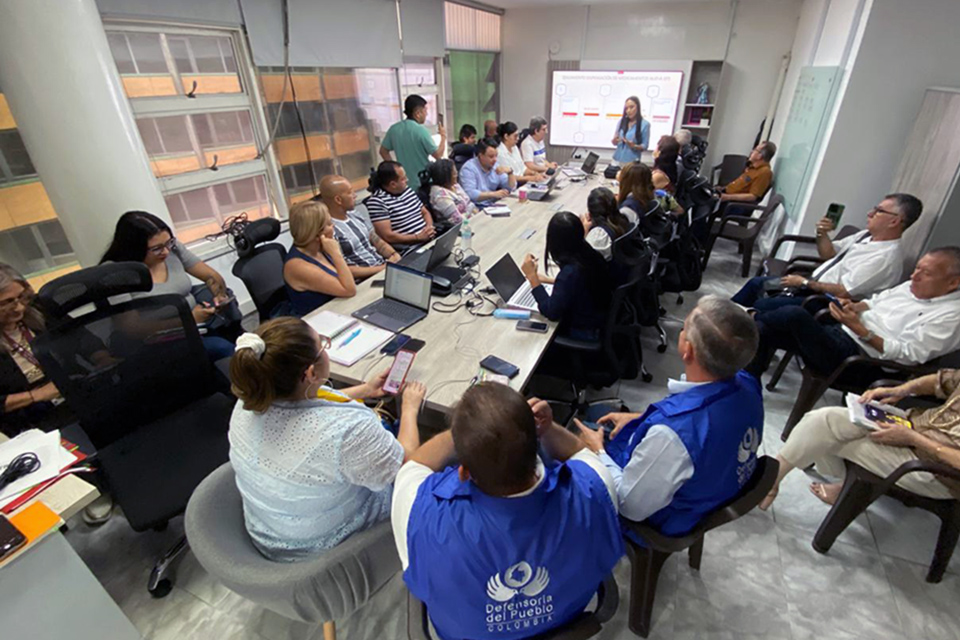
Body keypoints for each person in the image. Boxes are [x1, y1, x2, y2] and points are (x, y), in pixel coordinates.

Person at [391, 383, 623, 640]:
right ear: (536, 448)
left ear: (464, 471)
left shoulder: (421, 517)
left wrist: (467, 430)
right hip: (564, 622)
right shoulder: (594, 490)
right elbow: (583, 453)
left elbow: (412, 468)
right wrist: (545, 428)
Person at [229, 317, 426, 562]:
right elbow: (407, 466)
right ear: (310, 373)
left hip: (273, 530)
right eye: (322, 345)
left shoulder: (250, 399)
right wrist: (409, 408)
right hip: (321, 549)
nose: (325, 347)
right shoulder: (346, 432)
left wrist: (365, 390)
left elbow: (306, 402)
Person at [576, 296, 763, 534]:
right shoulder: (748, 385)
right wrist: (642, 418)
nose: (682, 333)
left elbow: (629, 506)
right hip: (709, 483)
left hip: (660, 518)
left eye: (684, 329)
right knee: (598, 424)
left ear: (688, 350)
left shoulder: (672, 435)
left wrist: (597, 452)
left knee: (560, 443)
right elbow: (703, 421)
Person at [746, 247, 960, 380]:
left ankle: (744, 315)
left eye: (927, 273)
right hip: (841, 333)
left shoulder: (951, 317)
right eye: (917, 268)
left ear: (953, 283)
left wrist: (860, 329)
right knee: (765, 329)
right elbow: (874, 302)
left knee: (795, 314)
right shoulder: (909, 288)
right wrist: (854, 307)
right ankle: (747, 382)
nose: (915, 276)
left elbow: (908, 356)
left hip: (861, 361)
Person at [760, 369, 960, 510]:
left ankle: (846, 489)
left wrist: (915, 439)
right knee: (823, 419)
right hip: (911, 426)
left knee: (830, 437)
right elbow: (942, 380)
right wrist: (901, 390)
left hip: (937, 471)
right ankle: (772, 479)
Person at [732, 194, 921, 311]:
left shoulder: (885, 258)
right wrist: (821, 233)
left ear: (895, 221)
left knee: (763, 306)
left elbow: (845, 291)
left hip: (826, 302)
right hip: (810, 286)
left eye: (878, 211)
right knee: (757, 283)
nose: (870, 213)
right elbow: (828, 254)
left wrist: (805, 282)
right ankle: (717, 318)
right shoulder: (865, 236)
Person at [101, 210, 239, 360]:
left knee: (239, 340)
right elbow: (131, 328)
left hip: (194, 325)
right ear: (133, 247)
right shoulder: (115, 273)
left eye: (169, 243)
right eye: (156, 248)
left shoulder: (172, 248)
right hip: (154, 340)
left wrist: (219, 296)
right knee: (223, 350)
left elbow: (211, 276)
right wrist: (188, 321)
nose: (166, 251)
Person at [0, 265, 71, 437]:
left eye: (21, 297)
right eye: (7, 302)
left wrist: (100, 357)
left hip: (68, 393)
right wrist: (36, 395)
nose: (19, 308)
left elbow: (80, 338)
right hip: (28, 419)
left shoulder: (38, 309)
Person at [521, 211, 612, 339]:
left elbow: (551, 312)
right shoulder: (587, 252)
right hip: (598, 317)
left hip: (584, 329)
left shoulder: (570, 273)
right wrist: (551, 281)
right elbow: (578, 285)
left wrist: (532, 278)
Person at [320, 175, 401, 280]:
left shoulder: (355, 214)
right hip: (366, 279)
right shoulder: (330, 229)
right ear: (338, 200)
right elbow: (344, 269)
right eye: (350, 192)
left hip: (383, 268)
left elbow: (376, 240)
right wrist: (382, 268)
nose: (355, 196)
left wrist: (393, 255)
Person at [283, 200, 356, 316]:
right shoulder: (297, 266)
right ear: (316, 233)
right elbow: (349, 290)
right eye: (329, 224)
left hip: (338, 309)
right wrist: (336, 254)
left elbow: (344, 276)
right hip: (318, 323)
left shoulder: (319, 249)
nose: (333, 226)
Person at [380, 94, 446, 191]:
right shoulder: (420, 131)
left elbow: (383, 151)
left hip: (404, 184)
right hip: (422, 182)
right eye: (425, 111)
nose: (426, 114)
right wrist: (443, 136)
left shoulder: (394, 129)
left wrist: (395, 170)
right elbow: (438, 155)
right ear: (417, 113)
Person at [366, 161, 435, 250]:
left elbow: (425, 212)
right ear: (393, 184)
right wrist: (417, 237)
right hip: (411, 248)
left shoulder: (407, 190)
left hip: (429, 240)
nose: (407, 180)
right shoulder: (377, 202)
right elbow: (388, 236)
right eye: (403, 179)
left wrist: (429, 228)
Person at [459, 138, 517, 204]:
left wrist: (510, 173)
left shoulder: (495, 166)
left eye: (496, 156)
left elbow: (511, 188)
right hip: (476, 208)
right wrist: (493, 194)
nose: (495, 159)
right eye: (491, 156)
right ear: (481, 155)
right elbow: (470, 194)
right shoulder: (468, 169)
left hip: (492, 205)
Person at [581, 186, 633, 261]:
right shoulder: (623, 218)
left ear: (590, 213)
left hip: (611, 270)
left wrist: (585, 232)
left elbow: (585, 262)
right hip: (627, 266)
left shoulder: (599, 236)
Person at [427, 159, 477, 225]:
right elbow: (457, 219)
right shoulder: (440, 195)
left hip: (471, 220)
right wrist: (470, 209)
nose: (456, 174)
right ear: (444, 176)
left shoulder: (454, 185)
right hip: (459, 228)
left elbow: (469, 202)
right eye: (453, 173)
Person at [611, 96, 650, 165]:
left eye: (631, 107)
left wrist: (634, 146)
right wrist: (614, 141)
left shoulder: (645, 124)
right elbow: (615, 140)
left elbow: (645, 146)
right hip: (616, 160)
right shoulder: (621, 122)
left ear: (638, 108)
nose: (628, 111)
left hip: (632, 163)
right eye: (626, 108)